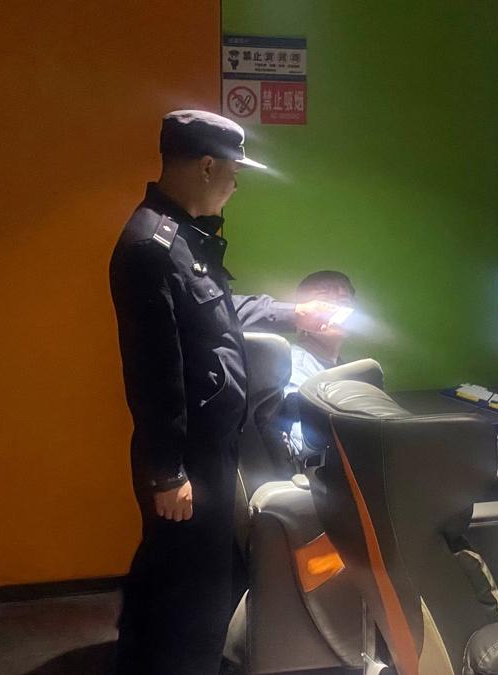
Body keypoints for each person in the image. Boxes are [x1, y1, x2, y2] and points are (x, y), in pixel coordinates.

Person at [109, 110, 336, 675]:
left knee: (173, 575)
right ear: (207, 166)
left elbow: (222, 310)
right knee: (194, 598)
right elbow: (152, 372)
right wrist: (167, 473)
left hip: (209, 449)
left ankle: (141, 660)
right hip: (188, 458)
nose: (236, 185)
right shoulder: (151, 247)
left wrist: (293, 312)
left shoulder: (185, 236)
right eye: (234, 172)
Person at [282, 271, 356, 460]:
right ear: (302, 316)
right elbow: (304, 445)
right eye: (326, 301)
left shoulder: (344, 368)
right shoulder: (293, 364)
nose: (339, 309)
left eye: (345, 300)